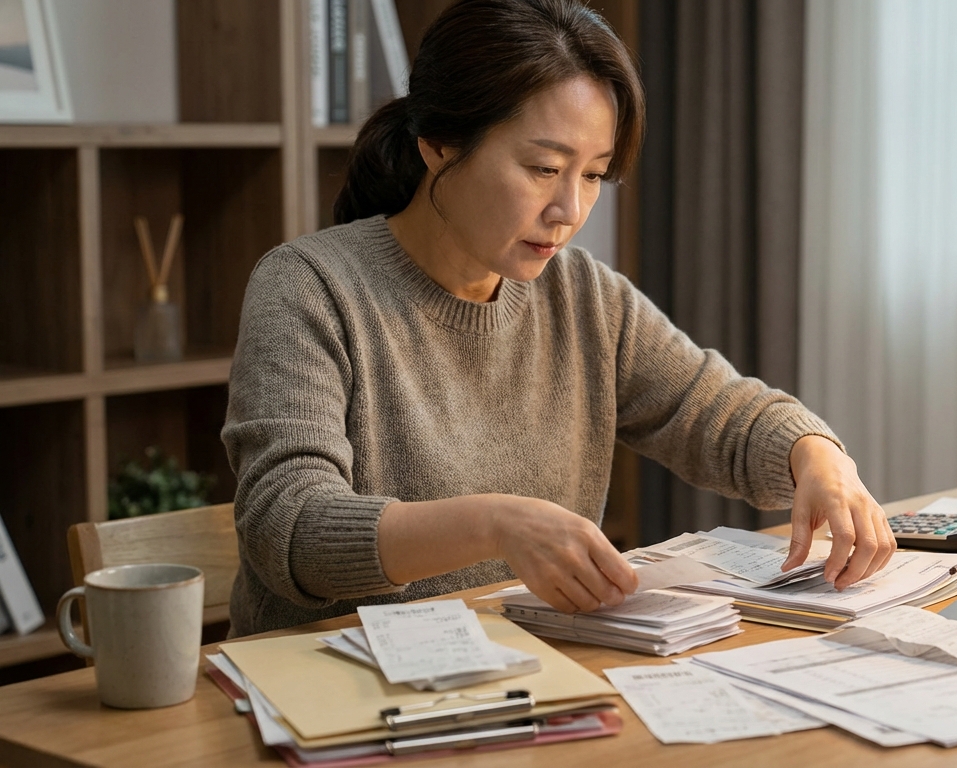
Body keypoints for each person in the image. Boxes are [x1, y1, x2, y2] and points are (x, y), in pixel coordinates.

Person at [221, 0, 895, 638]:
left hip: (522, 672)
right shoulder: (309, 288)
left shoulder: (582, 296)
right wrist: (494, 524)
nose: (569, 210)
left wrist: (816, 455)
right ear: (440, 143)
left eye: (594, 174)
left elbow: (713, 409)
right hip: (334, 693)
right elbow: (292, 527)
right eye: (543, 167)